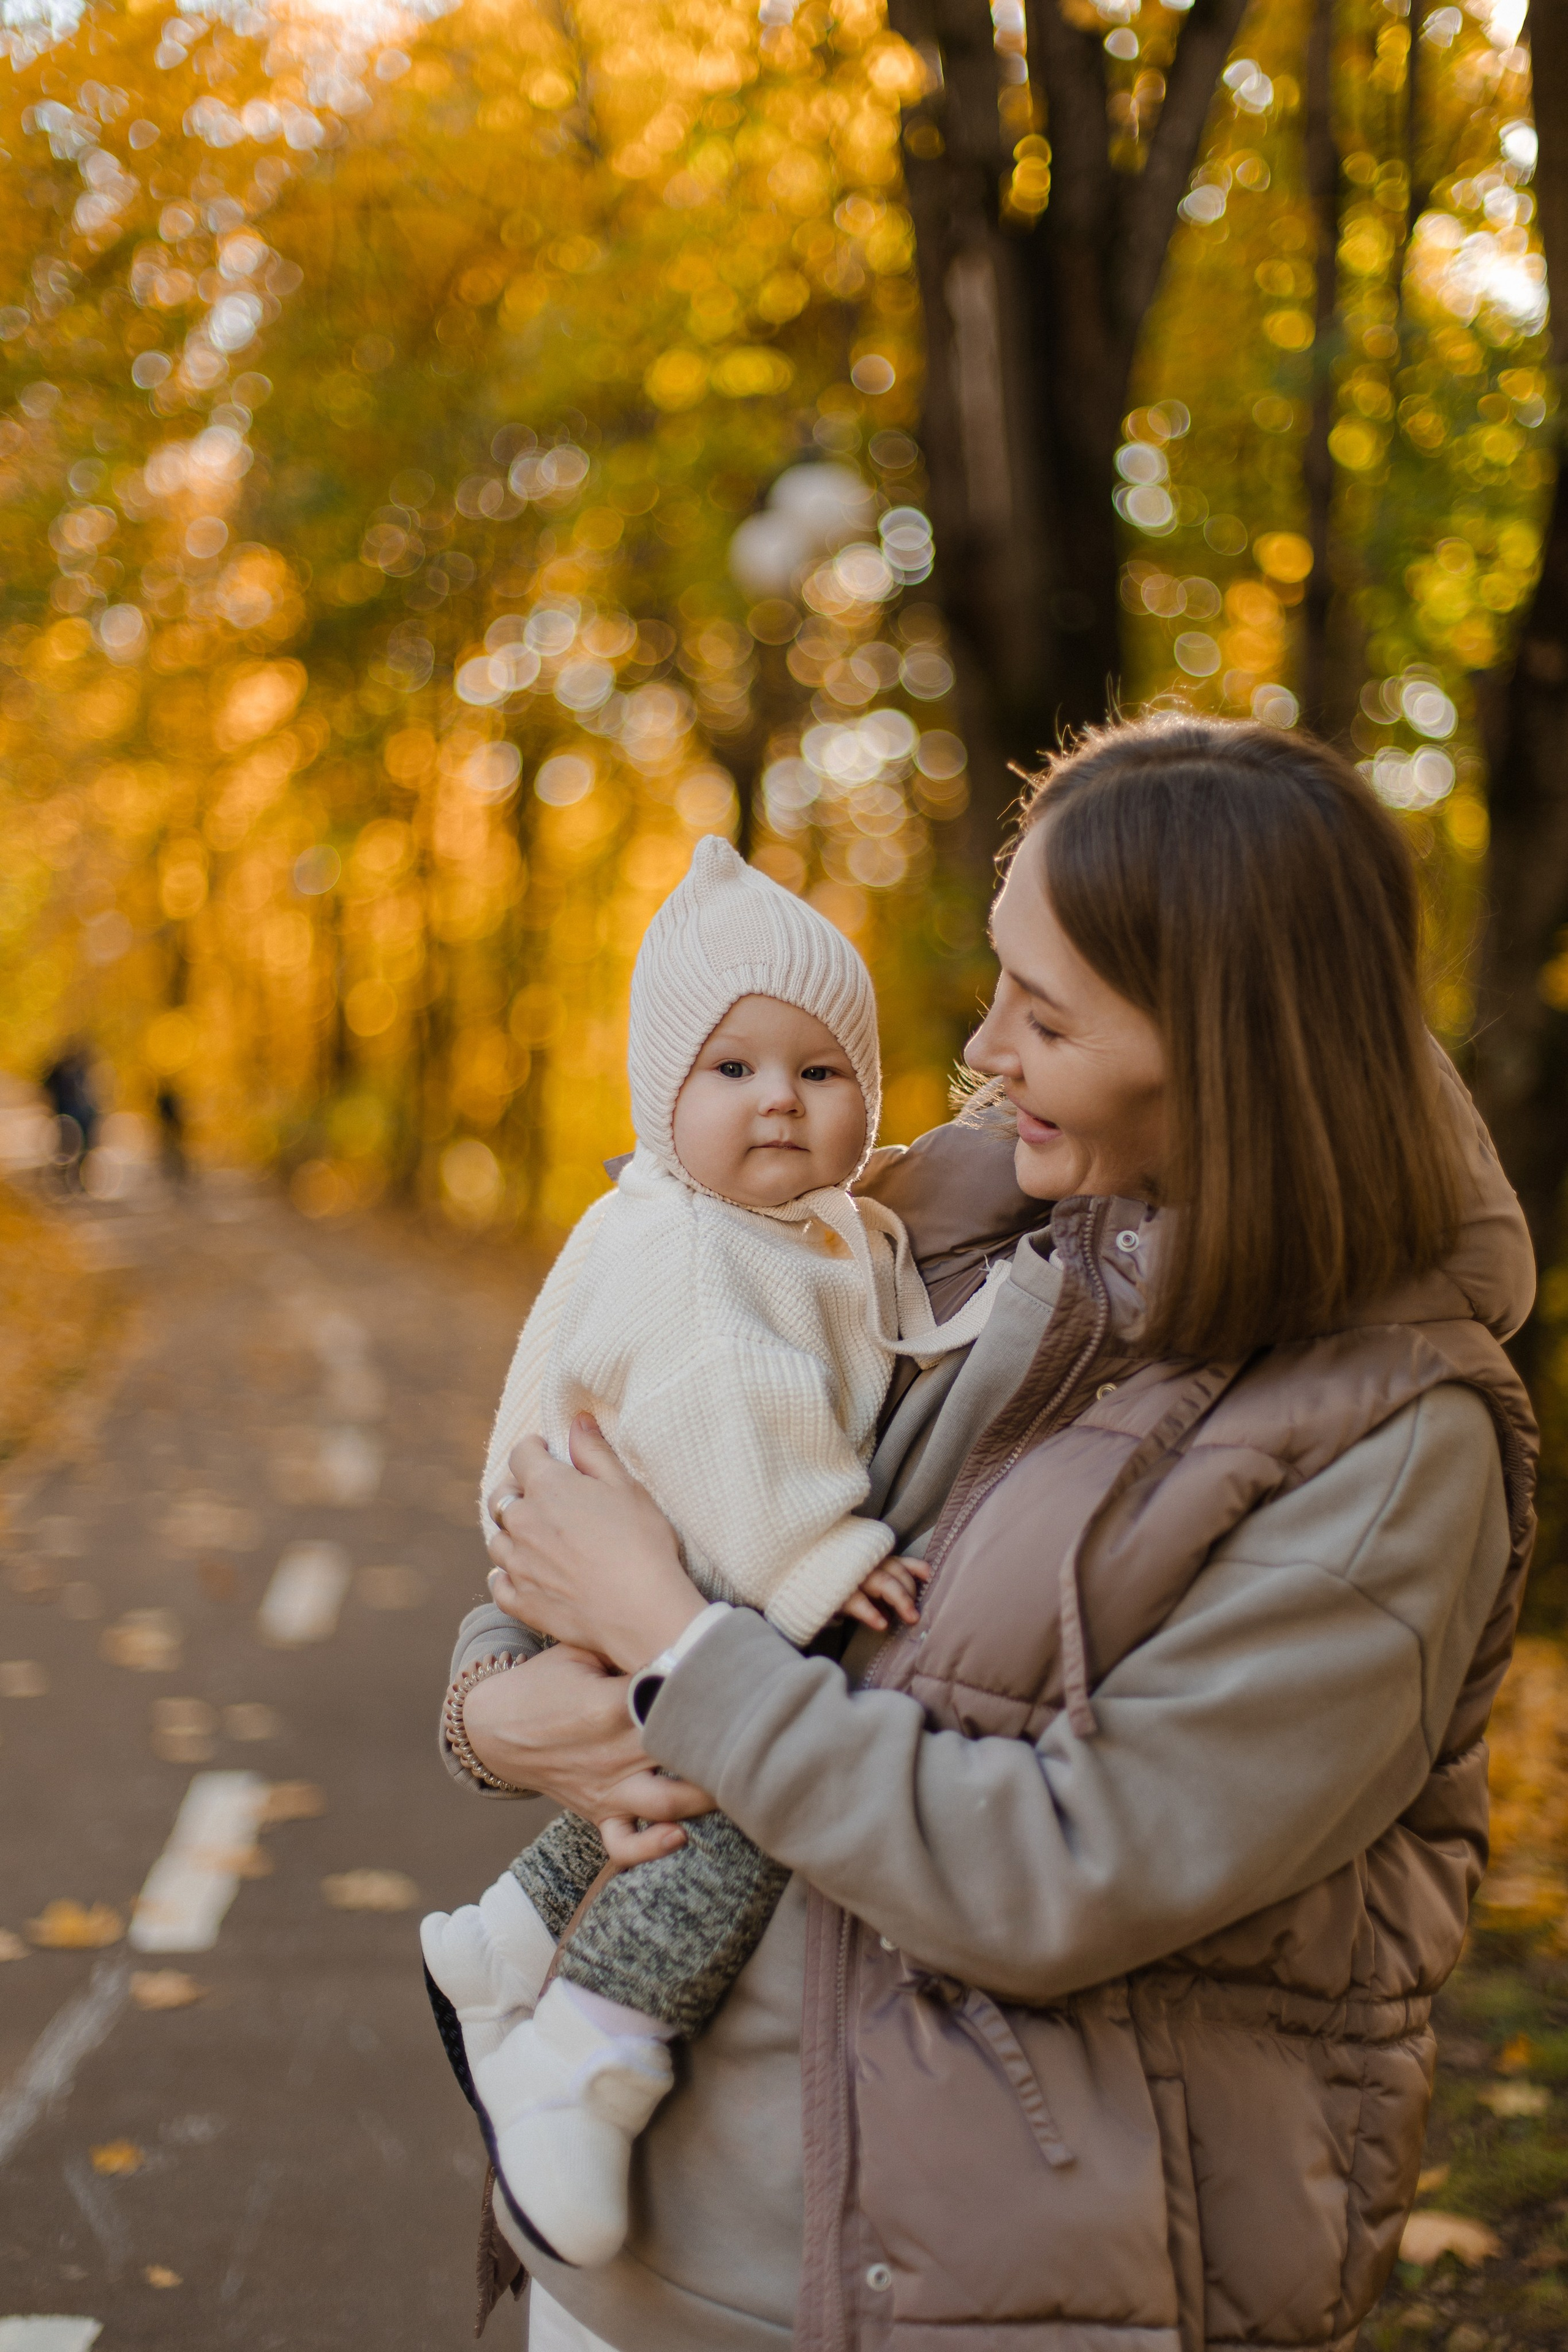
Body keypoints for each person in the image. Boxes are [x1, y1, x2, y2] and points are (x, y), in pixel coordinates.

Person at [441, 715, 1537, 2352]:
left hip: (966, 2298)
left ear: (1217, 1042)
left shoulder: (1387, 1454)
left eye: (1044, 1013)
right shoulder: (936, 1228)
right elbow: (640, 1499)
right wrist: (502, 1708)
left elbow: (1058, 1874)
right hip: (631, 2253)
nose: (985, 1047)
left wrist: (681, 1658)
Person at [422, 837, 1002, 2269]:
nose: (778, 1105)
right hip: (673, 1538)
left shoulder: (807, 1231)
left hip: (649, 1553)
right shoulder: (690, 1250)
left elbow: (873, 1332)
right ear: (657, 1095)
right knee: (746, 1772)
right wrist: (816, 1554)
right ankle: (595, 2038)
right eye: (730, 1071)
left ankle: (509, 1931)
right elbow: (722, 1416)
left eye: (818, 1072)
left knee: (703, 1755)